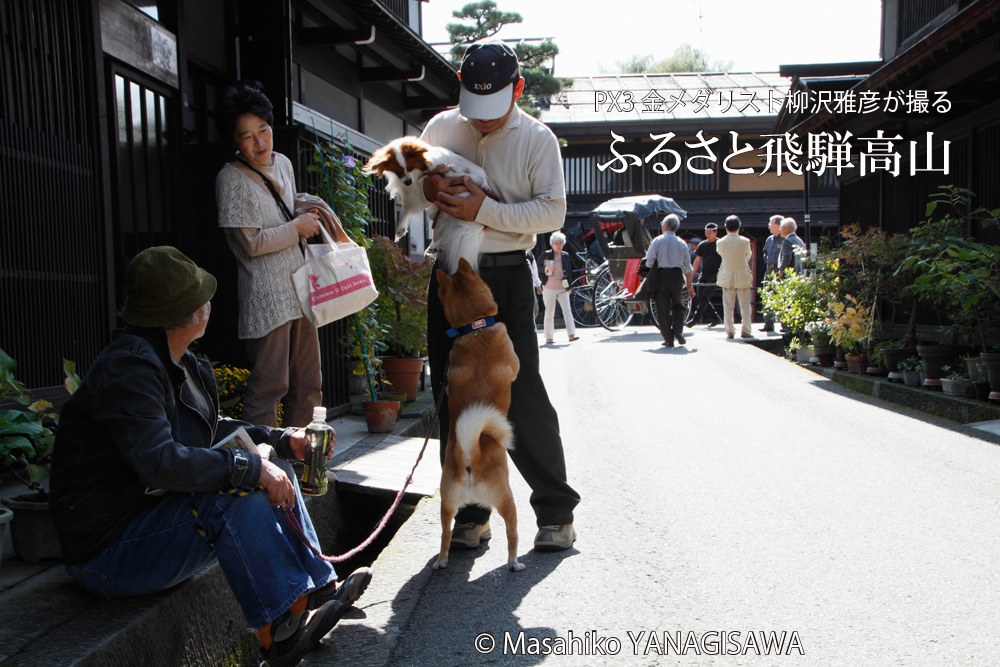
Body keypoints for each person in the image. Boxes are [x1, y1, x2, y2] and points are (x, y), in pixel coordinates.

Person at [49, 247, 372, 667]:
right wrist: (252, 469)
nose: (209, 304)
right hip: (107, 554)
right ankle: (276, 633)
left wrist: (280, 439)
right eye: (202, 297)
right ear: (188, 313)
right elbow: (159, 462)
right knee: (236, 487)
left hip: (145, 520)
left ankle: (316, 588)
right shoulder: (129, 370)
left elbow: (210, 430)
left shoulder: (173, 362)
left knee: (270, 457)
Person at [420, 41, 580, 552]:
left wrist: (482, 209)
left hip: (506, 274)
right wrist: (425, 190)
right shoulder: (442, 127)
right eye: (474, 110)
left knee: (522, 390)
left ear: (519, 89)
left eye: (493, 112)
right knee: (453, 386)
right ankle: (470, 513)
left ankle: (556, 510)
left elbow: (550, 213)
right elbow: (405, 185)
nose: (482, 123)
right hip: (450, 271)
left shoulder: (538, 139)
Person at [215, 81, 349, 428]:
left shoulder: (285, 165)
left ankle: (305, 465)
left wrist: (304, 214)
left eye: (263, 130)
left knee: (308, 384)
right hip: (267, 297)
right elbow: (250, 243)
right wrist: (296, 228)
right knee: (270, 385)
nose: (259, 142)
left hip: (300, 289)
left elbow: (284, 212)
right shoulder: (231, 178)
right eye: (247, 136)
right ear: (234, 140)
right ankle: (263, 470)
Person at [644, 213, 695, 348]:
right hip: (677, 276)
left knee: (662, 308)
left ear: (666, 225)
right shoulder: (682, 243)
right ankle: (678, 331)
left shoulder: (657, 241)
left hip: (661, 276)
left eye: (662, 224)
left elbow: (649, 262)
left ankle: (668, 339)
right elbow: (687, 267)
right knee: (678, 304)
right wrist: (690, 286)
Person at [716, 215, 755, 340]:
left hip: (727, 274)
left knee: (728, 305)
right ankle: (746, 330)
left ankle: (729, 330)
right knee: (745, 304)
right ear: (739, 227)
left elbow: (720, 253)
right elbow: (748, 254)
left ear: (726, 227)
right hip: (742, 273)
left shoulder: (720, 242)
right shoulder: (745, 241)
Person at [538, 231, 579, 345]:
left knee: (567, 310)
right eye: (556, 243)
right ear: (552, 244)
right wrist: (546, 269)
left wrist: (569, 286)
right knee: (549, 312)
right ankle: (549, 337)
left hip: (563, 287)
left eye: (560, 243)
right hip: (549, 287)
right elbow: (538, 268)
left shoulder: (565, 255)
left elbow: (569, 272)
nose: (558, 245)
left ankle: (571, 334)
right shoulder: (546, 254)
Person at [686, 223, 722, 327]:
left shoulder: (720, 244)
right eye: (706, 232)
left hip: (716, 274)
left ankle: (695, 319)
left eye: (710, 233)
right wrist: (691, 277)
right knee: (699, 296)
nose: (708, 234)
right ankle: (716, 318)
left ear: (716, 232)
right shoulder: (703, 244)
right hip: (704, 273)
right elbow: (697, 262)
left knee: (705, 296)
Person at [759, 215, 784, 332]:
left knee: (782, 297)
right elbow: (764, 252)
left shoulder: (785, 239)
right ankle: (768, 323)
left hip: (780, 271)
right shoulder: (769, 239)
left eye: (771, 224)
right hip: (769, 270)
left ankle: (785, 325)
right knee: (767, 296)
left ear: (778, 225)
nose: (769, 226)